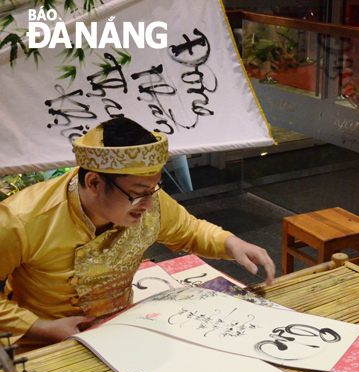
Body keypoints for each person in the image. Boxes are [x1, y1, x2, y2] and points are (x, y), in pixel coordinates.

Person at [0, 117, 276, 350]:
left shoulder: (148, 200)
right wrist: (40, 328)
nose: (149, 203)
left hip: (122, 327)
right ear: (94, 182)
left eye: (154, 188)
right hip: (46, 343)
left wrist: (230, 242)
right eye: (137, 194)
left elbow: (189, 230)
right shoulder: (22, 219)